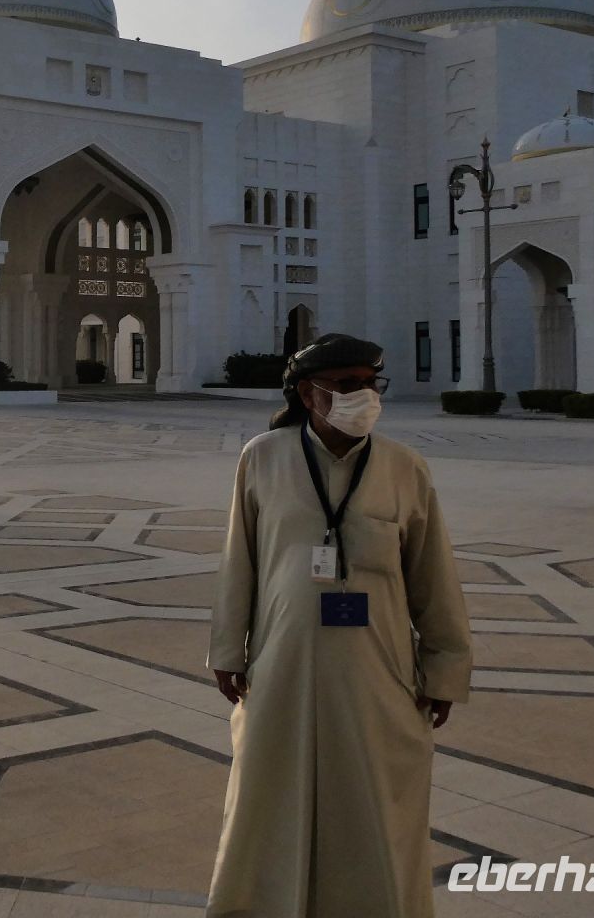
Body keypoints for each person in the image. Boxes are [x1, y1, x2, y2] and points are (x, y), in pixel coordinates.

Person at [206, 333, 472, 918]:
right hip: (282, 667)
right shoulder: (264, 458)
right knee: (268, 800)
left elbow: (433, 577)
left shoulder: (404, 468)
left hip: (377, 673)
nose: (365, 397)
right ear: (309, 393)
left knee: (376, 804)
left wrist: (445, 670)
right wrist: (228, 649)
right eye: (348, 386)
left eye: (371, 384)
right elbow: (239, 562)